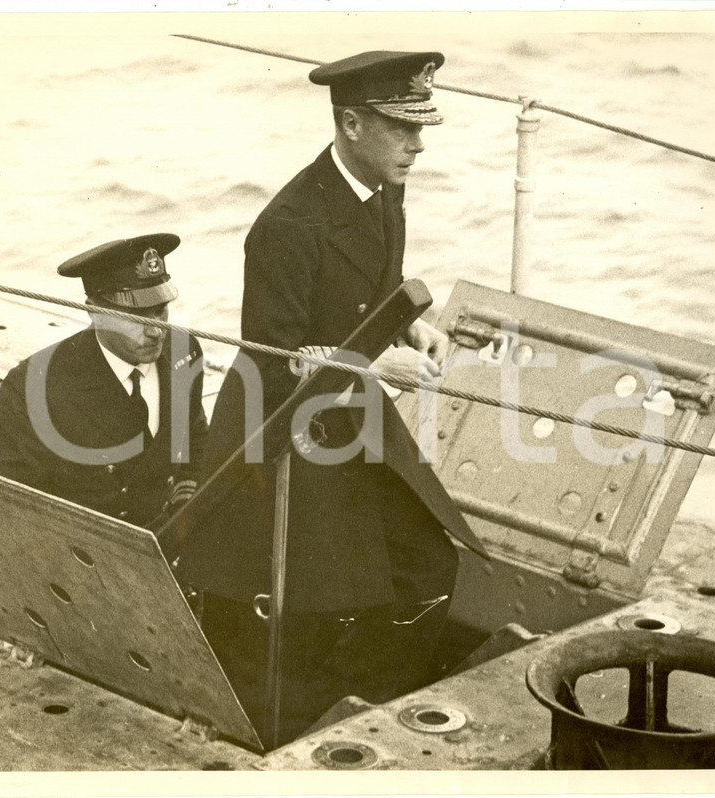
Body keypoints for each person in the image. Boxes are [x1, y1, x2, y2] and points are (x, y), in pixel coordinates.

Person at [176, 51, 479, 747]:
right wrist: (377, 366)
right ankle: (308, 724)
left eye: (420, 126)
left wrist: (410, 323)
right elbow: (276, 359)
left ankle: (360, 702)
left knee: (431, 563)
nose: (419, 144)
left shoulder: (382, 188)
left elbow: (378, 281)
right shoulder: (287, 227)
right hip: (285, 431)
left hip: (348, 409)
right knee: (316, 597)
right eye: (403, 128)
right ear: (351, 123)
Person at [0, 233, 208, 528]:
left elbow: (195, 441)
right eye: (138, 317)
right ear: (95, 312)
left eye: (160, 311)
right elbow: (8, 503)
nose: (157, 331)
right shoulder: (33, 388)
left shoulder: (184, 351)